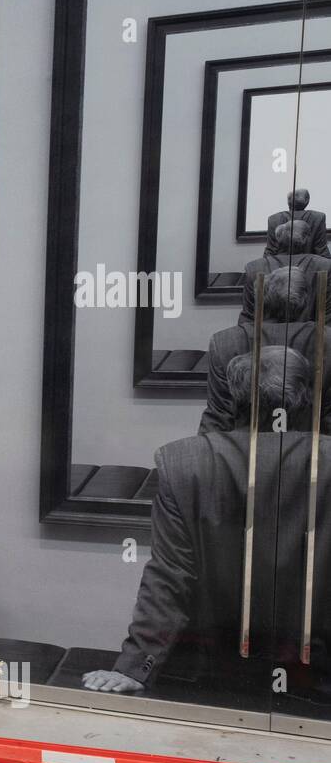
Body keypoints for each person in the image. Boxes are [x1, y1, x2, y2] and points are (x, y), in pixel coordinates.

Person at [85, 347, 331, 697]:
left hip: (218, 668)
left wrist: (135, 667)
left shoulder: (183, 463)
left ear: (234, 397)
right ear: (307, 398)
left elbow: (170, 576)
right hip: (318, 672)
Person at [200, 265, 331, 434]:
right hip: (312, 449)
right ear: (305, 300)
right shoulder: (327, 339)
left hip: (240, 450)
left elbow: (218, 417)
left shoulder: (224, 342)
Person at [240, 219, 331, 323]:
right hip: (312, 337)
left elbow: (247, 318)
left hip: (263, 336)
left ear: (278, 238)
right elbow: (328, 317)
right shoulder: (325, 265)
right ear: (306, 239)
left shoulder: (253, 267)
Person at [266, 188, 330, 259]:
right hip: (309, 265)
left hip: (280, 266)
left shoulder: (273, 219)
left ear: (288, 201)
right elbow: (321, 250)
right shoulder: (318, 217)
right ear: (307, 201)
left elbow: (270, 252)